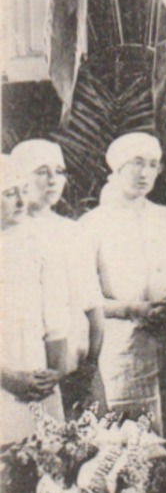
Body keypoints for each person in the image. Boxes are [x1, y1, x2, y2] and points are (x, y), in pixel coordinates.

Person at [79, 133, 166, 436]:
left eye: (152, 165)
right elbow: (84, 296)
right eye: (136, 163)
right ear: (117, 168)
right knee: (126, 435)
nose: (144, 173)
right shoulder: (92, 224)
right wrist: (132, 309)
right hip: (119, 344)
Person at [11, 139, 105, 417]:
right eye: (42, 171)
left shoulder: (73, 231)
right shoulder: (11, 235)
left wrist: (91, 365)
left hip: (79, 364)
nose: (53, 180)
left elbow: (93, 305)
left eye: (59, 171)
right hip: (31, 368)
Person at [0, 155, 68, 444]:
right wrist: (10, 379)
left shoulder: (39, 240)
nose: (19, 201)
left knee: (47, 457)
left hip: (38, 373)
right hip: (5, 375)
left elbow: (56, 316)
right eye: (8, 193)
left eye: (21, 192)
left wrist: (53, 374)